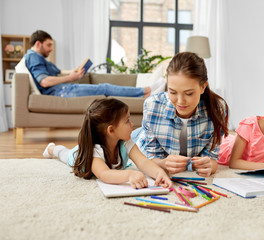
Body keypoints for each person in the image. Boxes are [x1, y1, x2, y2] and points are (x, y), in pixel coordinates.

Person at [133, 52, 229, 177]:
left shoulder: (217, 109)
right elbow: (151, 156)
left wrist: (209, 166)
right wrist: (163, 163)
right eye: (172, 92)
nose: (180, 101)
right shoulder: (152, 106)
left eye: (188, 93)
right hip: (138, 139)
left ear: (203, 87)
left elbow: (212, 158)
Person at [42, 98, 172, 189]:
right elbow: (104, 174)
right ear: (111, 130)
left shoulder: (126, 142)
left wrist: (159, 173)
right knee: (64, 154)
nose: (132, 124)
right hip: (79, 156)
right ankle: (52, 148)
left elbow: (143, 161)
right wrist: (130, 174)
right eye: (127, 121)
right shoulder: (95, 151)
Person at [25, 30, 163, 98]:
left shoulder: (38, 58)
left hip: (63, 89)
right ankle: (146, 91)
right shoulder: (34, 57)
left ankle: (145, 92)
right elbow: (44, 82)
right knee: (104, 88)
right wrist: (71, 78)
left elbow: (57, 72)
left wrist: (74, 71)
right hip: (61, 92)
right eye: (48, 45)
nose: (51, 48)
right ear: (38, 44)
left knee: (103, 88)